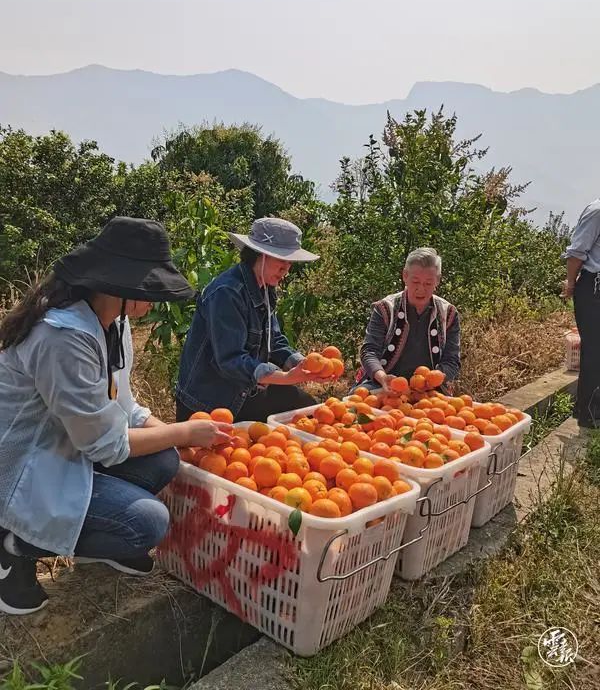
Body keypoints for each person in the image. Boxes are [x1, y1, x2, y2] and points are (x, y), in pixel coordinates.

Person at [0, 217, 233, 616]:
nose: (154, 302)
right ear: (119, 287)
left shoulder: (112, 324)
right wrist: (183, 431)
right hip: (22, 471)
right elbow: (105, 445)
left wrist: (188, 439)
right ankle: (16, 542)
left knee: (165, 459)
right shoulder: (64, 337)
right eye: (149, 291)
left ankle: (89, 543)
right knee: (146, 524)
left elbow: (125, 408)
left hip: (63, 453)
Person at [176, 217, 321, 423]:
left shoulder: (265, 287)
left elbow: (274, 340)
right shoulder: (227, 292)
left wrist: (302, 364)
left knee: (310, 411)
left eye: (290, 262)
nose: (286, 269)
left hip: (245, 391)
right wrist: (285, 378)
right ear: (261, 255)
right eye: (281, 261)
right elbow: (230, 360)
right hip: (210, 401)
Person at [355, 247, 460, 394]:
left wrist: (436, 379)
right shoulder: (385, 308)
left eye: (428, 283)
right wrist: (383, 377)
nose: (421, 289)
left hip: (430, 391)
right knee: (358, 403)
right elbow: (369, 351)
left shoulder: (448, 314)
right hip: (383, 385)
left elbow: (452, 360)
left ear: (438, 280)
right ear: (405, 276)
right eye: (415, 281)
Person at [562, 197, 600, 428]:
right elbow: (576, 253)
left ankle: (588, 408)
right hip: (595, 288)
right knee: (595, 350)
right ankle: (589, 413)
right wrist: (570, 284)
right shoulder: (597, 211)